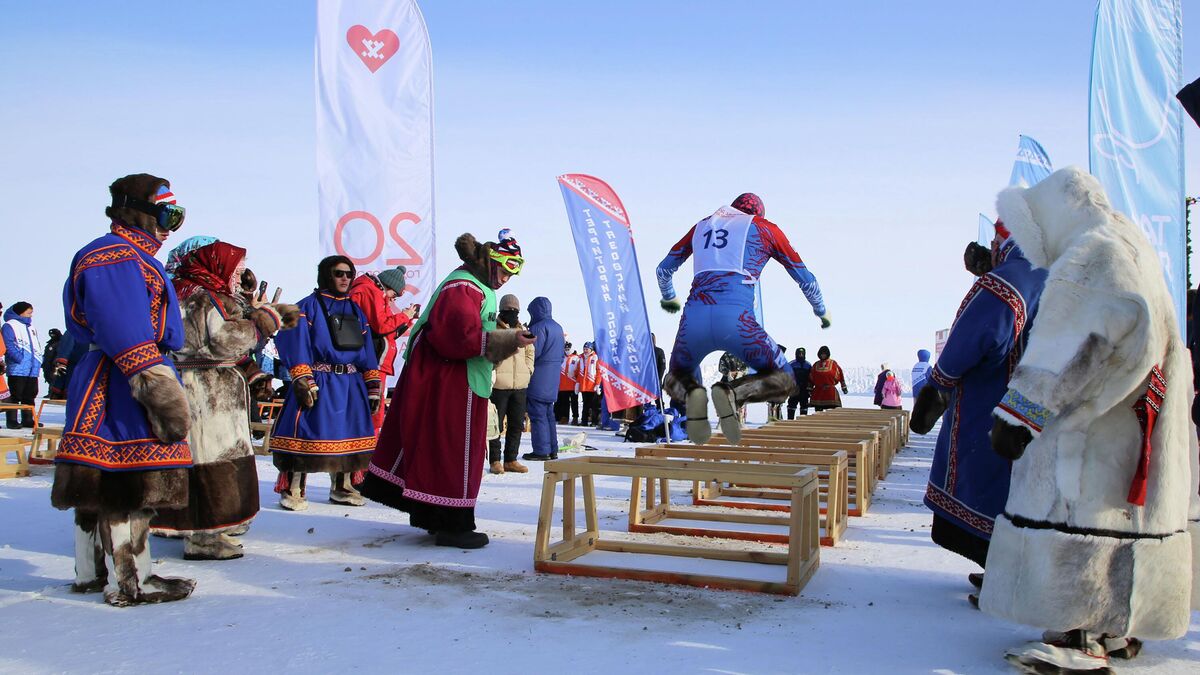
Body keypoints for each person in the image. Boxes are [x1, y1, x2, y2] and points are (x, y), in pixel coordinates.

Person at [979, 167, 1198, 672]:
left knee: (1079, 514)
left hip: (1097, 428)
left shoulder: (1091, 254)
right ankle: (1113, 628)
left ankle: (1078, 636)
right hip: (1136, 420)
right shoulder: (1130, 244)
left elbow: (1075, 343)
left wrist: (1020, 415)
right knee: (1118, 518)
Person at [51, 173, 195, 606]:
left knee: (105, 476)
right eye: (167, 213)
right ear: (138, 210)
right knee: (123, 479)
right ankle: (128, 580)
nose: (172, 224)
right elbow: (123, 328)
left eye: (179, 215)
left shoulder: (131, 255)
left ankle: (91, 571)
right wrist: (157, 389)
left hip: (118, 372)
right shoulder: (114, 257)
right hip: (122, 378)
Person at [363, 231, 533, 549]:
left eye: (516, 270)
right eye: (507, 267)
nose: (509, 277)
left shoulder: (476, 285)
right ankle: (453, 523)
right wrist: (508, 340)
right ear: (492, 261)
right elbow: (455, 335)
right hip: (451, 378)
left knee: (441, 446)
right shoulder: (464, 285)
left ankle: (435, 516)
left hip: (454, 376)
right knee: (455, 449)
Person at [908, 219, 1046, 599]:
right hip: (1044, 413)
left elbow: (978, 333)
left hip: (993, 407)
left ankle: (1007, 575)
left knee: (984, 487)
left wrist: (939, 385)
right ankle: (1014, 572)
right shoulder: (1057, 275)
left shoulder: (1008, 282)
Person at [150, 240, 298, 560]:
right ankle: (203, 536)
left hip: (203, 387)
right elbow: (221, 340)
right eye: (237, 268)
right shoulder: (199, 297)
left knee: (201, 461)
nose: (239, 274)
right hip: (205, 391)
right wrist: (263, 320)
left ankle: (201, 526)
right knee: (209, 463)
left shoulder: (182, 292)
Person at [657, 193, 828, 443]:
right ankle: (735, 393)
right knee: (785, 379)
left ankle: (689, 413)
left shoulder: (702, 226)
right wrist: (820, 309)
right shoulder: (764, 228)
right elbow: (805, 278)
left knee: (676, 376)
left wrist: (669, 296)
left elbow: (663, 270)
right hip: (736, 320)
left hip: (693, 319)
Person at [271, 255, 382, 511]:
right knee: (307, 431)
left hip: (351, 383)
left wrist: (372, 386)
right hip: (319, 378)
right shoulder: (306, 307)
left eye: (348, 274)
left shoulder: (356, 310)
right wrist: (303, 379)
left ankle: (342, 486)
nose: (344, 278)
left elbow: (367, 350)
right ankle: (293, 487)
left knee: (349, 432)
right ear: (325, 275)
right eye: (338, 273)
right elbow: (293, 341)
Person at [348, 265, 417, 431]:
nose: (392, 300)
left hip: (374, 359)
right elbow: (381, 327)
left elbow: (386, 333)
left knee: (373, 406)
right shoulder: (371, 292)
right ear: (389, 286)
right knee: (373, 407)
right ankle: (369, 447)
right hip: (373, 361)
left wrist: (405, 320)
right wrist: (403, 316)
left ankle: (369, 445)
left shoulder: (373, 292)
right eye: (394, 295)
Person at [489, 294, 534, 474]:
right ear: (501, 311)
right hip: (499, 385)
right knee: (496, 426)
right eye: (508, 310)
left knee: (516, 425)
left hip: (520, 386)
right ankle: (494, 460)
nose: (512, 313)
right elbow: (489, 352)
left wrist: (528, 370)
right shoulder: (494, 329)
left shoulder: (524, 329)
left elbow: (530, 351)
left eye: (515, 311)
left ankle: (511, 459)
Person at [523, 296, 565, 461]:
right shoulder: (557, 327)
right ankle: (552, 449)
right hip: (553, 378)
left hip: (539, 377)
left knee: (537, 414)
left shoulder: (539, 327)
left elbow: (533, 353)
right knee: (549, 415)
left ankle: (541, 451)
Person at [3, 301, 42, 428]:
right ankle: (12, 421)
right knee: (15, 395)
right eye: (28, 312)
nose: (31, 315)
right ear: (20, 312)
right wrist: (18, 358)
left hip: (32, 368)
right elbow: (8, 345)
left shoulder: (31, 327)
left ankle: (28, 419)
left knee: (30, 395)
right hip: (17, 368)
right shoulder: (10, 325)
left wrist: (39, 359)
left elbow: (36, 344)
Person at [808, 346, 847, 411]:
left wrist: (844, 387)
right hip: (818, 392)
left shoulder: (833, 364)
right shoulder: (816, 364)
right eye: (822, 354)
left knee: (832, 412)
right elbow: (811, 377)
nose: (823, 355)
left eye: (824, 354)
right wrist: (809, 388)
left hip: (830, 393)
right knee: (818, 413)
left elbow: (840, 375)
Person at [554, 342, 579, 424]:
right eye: (566, 349)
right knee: (564, 403)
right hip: (563, 385)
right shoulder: (562, 358)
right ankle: (564, 417)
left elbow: (579, 370)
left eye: (568, 349)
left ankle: (575, 417)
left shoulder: (576, 358)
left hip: (573, 384)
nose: (567, 351)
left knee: (574, 402)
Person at [578, 342, 600, 426]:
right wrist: (577, 383)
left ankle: (595, 421)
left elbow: (598, 372)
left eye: (587, 349)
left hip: (592, 385)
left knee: (594, 405)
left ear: (591, 349)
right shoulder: (580, 358)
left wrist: (597, 384)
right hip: (584, 385)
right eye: (584, 349)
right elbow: (578, 372)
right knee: (585, 405)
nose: (585, 351)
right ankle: (584, 421)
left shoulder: (595, 357)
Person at [786, 347, 811, 419]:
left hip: (804, 390)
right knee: (791, 406)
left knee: (804, 407)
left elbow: (811, 378)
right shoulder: (791, 364)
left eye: (802, 353)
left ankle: (803, 423)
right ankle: (790, 422)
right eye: (799, 353)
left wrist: (810, 389)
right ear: (796, 354)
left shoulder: (808, 365)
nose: (801, 355)